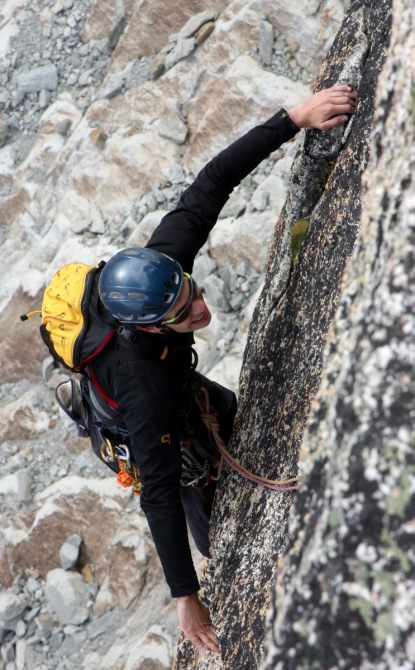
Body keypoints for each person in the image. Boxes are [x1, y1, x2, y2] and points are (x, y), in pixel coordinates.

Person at [92, 86, 357, 656]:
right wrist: (186, 595)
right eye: (186, 313)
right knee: (201, 495)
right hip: (157, 419)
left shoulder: (161, 266)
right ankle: (220, 542)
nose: (201, 308)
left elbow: (211, 183)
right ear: (154, 327)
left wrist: (294, 118)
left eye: (194, 291)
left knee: (234, 416)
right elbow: (157, 491)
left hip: (178, 380)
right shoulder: (142, 389)